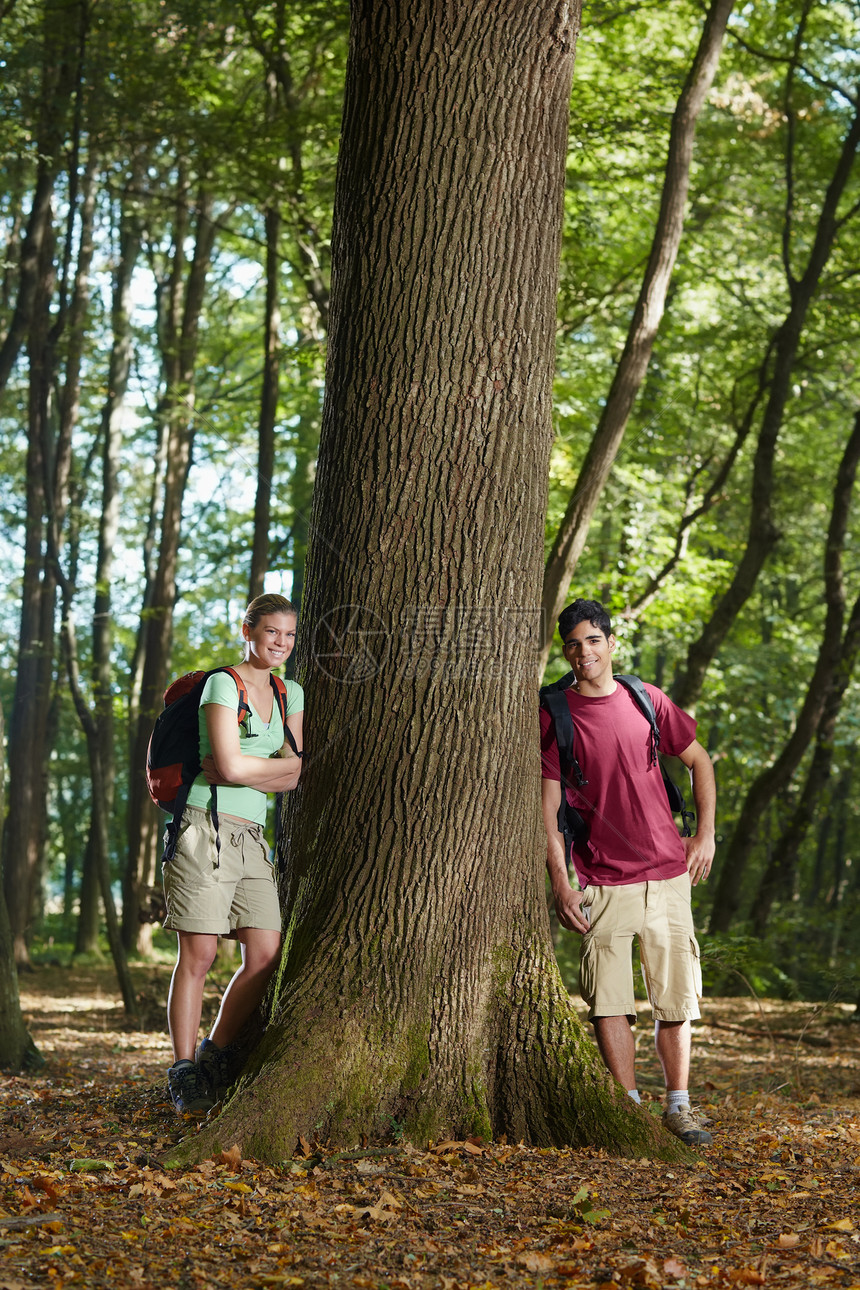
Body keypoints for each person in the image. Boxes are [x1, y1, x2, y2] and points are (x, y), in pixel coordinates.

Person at [540, 598, 716, 1146]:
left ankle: (679, 1106)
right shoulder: (555, 713)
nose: (583, 651)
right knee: (610, 1000)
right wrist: (562, 880)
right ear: (565, 650)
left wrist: (705, 835)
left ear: (611, 643)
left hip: (667, 874)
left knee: (675, 998)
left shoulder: (647, 699)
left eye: (593, 640)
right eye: (573, 643)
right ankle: (630, 1107)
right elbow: (546, 809)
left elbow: (700, 761)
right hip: (601, 878)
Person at [163, 593, 304, 1116]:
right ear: (248, 630)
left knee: (265, 955)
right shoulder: (225, 683)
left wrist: (247, 768)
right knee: (198, 957)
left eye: (289, 635)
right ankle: (182, 1072)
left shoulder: (292, 693)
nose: (281, 644)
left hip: (253, 836)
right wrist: (263, 767)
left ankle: (213, 1054)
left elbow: (294, 774)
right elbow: (234, 765)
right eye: (271, 632)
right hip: (204, 825)